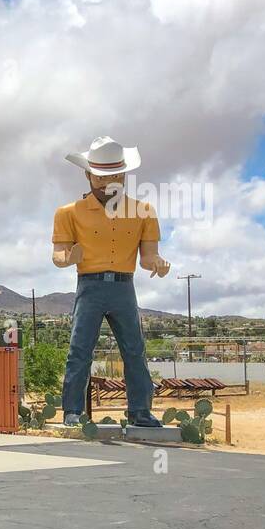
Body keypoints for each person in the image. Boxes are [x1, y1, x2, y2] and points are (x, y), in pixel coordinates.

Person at [52, 135, 170, 427]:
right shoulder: (68, 213)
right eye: (102, 176)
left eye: (116, 174)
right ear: (88, 174)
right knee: (80, 348)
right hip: (89, 285)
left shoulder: (144, 212)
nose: (109, 182)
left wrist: (156, 262)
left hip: (123, 286)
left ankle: (140, 411)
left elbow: (147, 256)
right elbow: (57, 254)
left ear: (125, 174)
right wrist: (69, 257)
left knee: (134, 349)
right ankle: (73, 411)